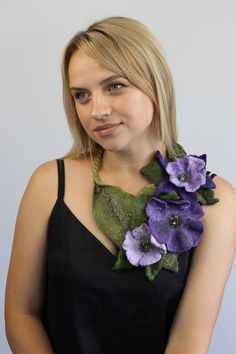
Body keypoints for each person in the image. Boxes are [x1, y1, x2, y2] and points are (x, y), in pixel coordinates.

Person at [4, 16, 236, 354]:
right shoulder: (49, 184)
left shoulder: (218, 202)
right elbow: (21, 314)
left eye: (114, 86)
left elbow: (188, 341)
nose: (96, 110)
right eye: (81, 95)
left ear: (154, 83)